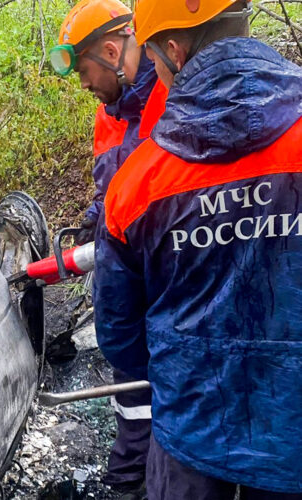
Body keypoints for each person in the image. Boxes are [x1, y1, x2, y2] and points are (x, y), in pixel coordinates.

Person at [94, 0, 302, 497]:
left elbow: (119, 333)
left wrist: (185, 372)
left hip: (191, 437)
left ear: (172, 51)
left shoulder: (136, 185)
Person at [50, 1, 166, 498]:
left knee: (157, 381)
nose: (83, 84)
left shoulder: (173, 96)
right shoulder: (108, 116)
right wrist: (90, 226)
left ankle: (138, 478)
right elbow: (109, 189)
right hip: (125, 280)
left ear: (113, 51)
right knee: (131, 381)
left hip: (166, 274)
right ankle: (132, 474)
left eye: (83, 70)